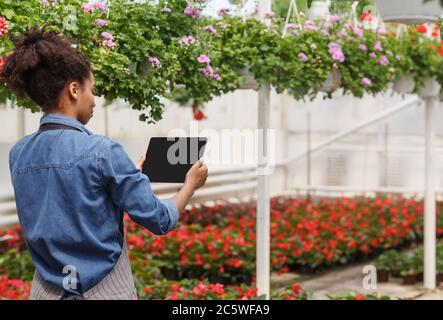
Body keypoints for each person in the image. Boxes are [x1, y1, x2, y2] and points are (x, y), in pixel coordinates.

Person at [1, 28, 208, 300]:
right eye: (92, 90)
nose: (95, 99)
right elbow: (159, 220)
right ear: (74, 90)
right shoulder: (102, 152)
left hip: (45, 292)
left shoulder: (19, 153)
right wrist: (190, 185)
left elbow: (67, 201)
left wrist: (123, 175)